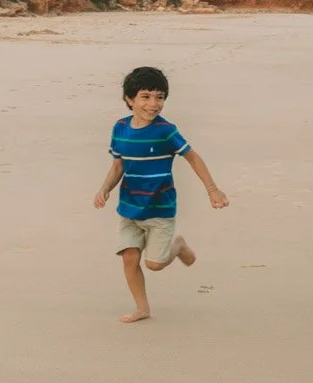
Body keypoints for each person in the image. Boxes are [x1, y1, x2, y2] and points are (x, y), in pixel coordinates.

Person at [93, 65, 229, 324]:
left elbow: (193, 157)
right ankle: (142, 308)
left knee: (153, 264)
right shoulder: (120, 128)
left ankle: (177, 246)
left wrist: (213, 190)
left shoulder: (166, 130)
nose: (153, 104)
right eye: (145, 96)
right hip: (130, 208)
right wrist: (104, 189)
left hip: (160, 209)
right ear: (129, 99)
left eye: (160, 97)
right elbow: (117, 166)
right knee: (130, 258)